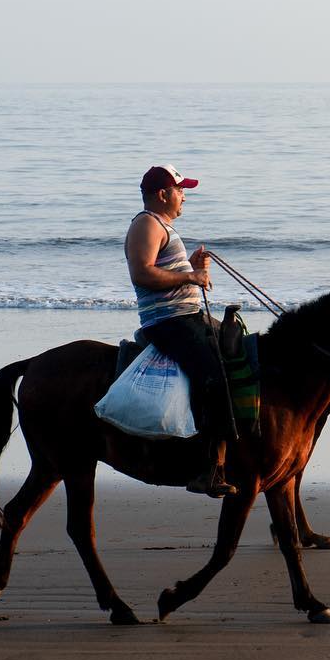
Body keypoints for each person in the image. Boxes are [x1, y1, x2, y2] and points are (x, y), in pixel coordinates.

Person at [125, 164, 237, 497]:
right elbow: (142, 274)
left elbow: (164, 270)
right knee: (215, 377)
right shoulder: (146, 224)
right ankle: (208, 469)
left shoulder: (161, 226)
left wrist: (191, 264)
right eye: (180, 190)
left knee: (239, 350)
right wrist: (191, 276)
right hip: (168, 322)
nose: (184, 197)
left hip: (185, 316)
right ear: (162, 194)